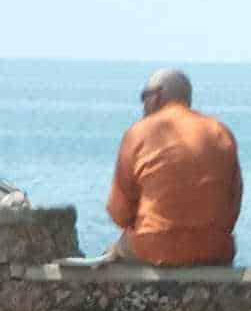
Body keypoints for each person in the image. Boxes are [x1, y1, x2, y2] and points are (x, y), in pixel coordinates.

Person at [102, 67, 242, 268]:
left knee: (111, 255)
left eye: (144, 96)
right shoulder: (221, 132)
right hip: (215, 249)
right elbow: (233, 205)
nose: (142, 105)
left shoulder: (138, 133)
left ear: (157, 96)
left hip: (154, 247)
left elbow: (119, 212)